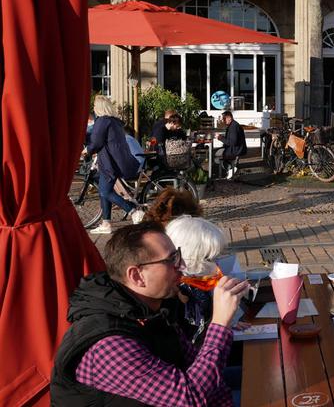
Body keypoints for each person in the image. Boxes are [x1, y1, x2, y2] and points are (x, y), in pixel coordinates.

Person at [50, 221, 249, 406]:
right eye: (171, 260)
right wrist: (220, 324)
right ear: (137, 276)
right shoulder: (109, 344)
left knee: (260, 375)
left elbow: (193, 363)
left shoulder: (154, 309)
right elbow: (191, 398)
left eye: (177, 255)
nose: (182, 266)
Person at [83, 95, 143, 235]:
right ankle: (106, 223)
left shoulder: (102, 121)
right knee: (105, 191)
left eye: (94, 106)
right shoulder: (114, 121)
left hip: (110, 163)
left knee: (105, 191)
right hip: (116, 161)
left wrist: (87, 150)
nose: (93, 109)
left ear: (99, 108)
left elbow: (96, 141)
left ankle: (133, 211)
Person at [166, 216, 229, 346]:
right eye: (208, 259)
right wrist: (221, 323)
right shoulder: (175, 293)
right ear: (189, 256)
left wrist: (226, 318)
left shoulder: (195, 282)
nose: (216, 265)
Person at [218, 111, 247, 179]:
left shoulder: (233, 127)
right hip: (238, 148)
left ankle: (231, 168)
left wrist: (220, 138)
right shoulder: (233, 125)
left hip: (236, 149)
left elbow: (232, 142)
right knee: (219, 152)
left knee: (216, 155)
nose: (223, 121)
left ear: (229, 118)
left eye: (224, 119)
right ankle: (231, 168)